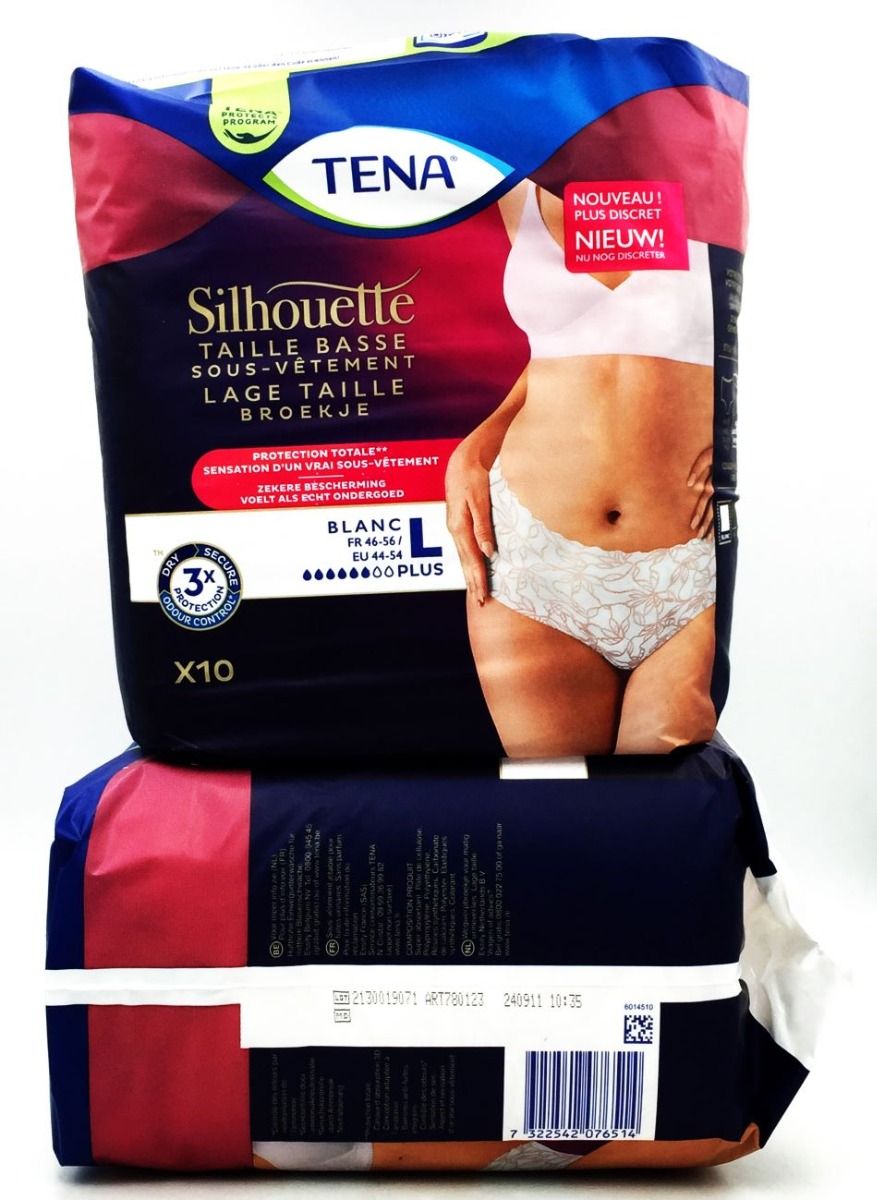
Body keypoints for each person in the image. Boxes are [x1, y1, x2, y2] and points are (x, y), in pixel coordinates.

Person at [446, 181, 717, 756]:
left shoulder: (705, 165)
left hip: (686, 559)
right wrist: (474, 446)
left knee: (663, 802)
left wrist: (743, 437)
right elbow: (557, 350)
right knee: (559, 803)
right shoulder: (518, 186)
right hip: (530, 557)